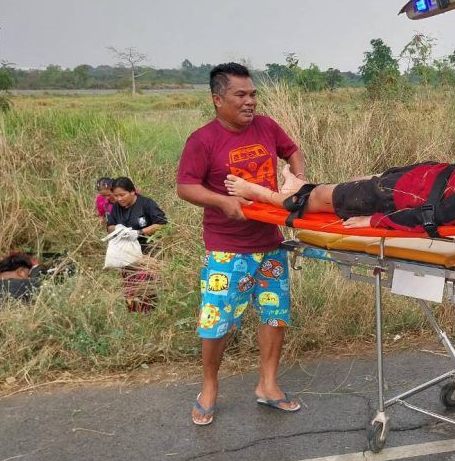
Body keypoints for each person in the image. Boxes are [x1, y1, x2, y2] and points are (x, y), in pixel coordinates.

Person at [176, 62, 308, 427]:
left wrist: (296, 181)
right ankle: (209, 387)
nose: (250, 101)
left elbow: (293, 151)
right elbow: (185, 186)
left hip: (270, 242)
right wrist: (222, 202)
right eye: (240, 95)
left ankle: (268, 384)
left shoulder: (266, 126)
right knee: (216, 321)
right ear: (218, 100)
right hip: (227, 248)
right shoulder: (203, 140)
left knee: (274, 315)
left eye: (253, 94)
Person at [224, 154, 455, 255]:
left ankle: (264, 195)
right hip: (410, 181)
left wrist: (376, 222)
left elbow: (431, 219)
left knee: (317, 201)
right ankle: (297, 186)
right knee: (341, 189)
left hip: (395, 198)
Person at [106, 177, 168, 313]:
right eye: (116, 196)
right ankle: (134, 313)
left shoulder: (146, 204)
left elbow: (162, 224)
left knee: (145, 284)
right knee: (129, 284)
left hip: (147, 251)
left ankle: (150, 313)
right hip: (126, 252)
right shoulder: (116, 207)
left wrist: (140, 232)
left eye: (122, 195)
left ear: (133, 192)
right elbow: (109, 226)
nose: (119, 199)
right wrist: (118, 229)